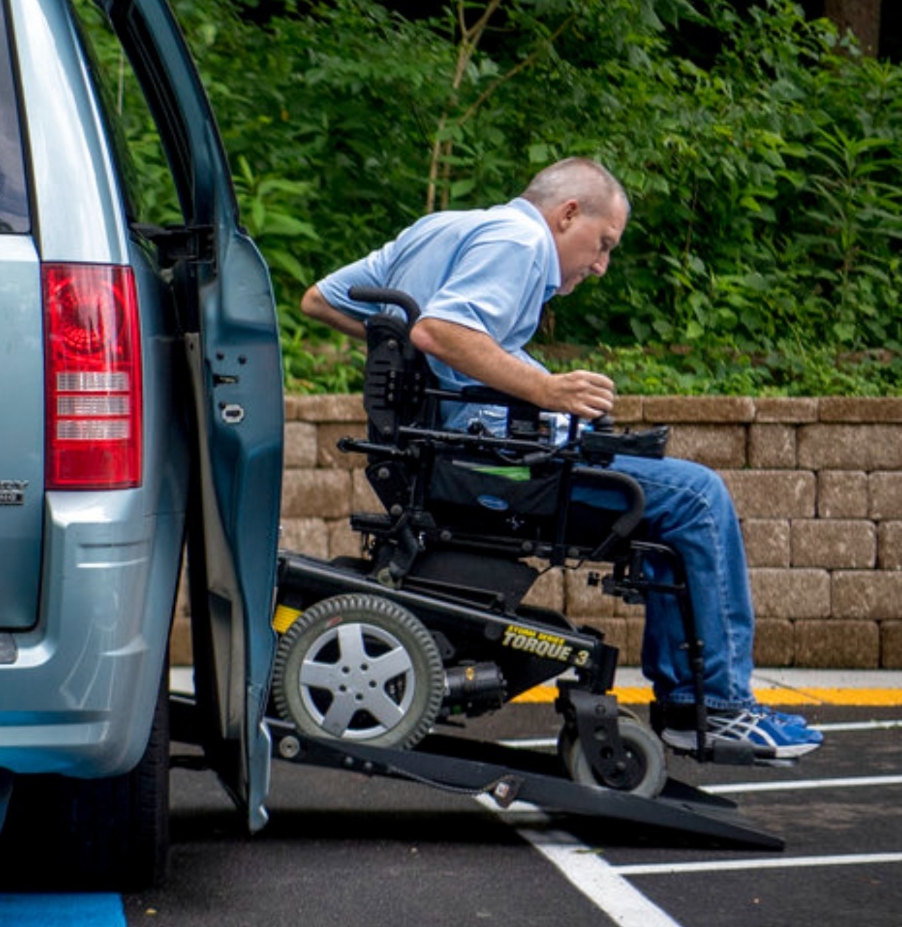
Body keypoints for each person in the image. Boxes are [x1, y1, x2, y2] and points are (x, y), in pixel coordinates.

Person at [300, 157, 821, 760]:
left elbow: (322, 299)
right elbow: (439, 330)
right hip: (492, 465)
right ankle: (716, 705)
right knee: (696, 496)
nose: (600, 266)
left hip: (443, 458)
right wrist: (544, 391)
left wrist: (417, 377)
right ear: (567, 213)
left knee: (665, 490)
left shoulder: (440, 228)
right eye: (602, 245)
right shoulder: (521, 240)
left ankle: (694, 699)